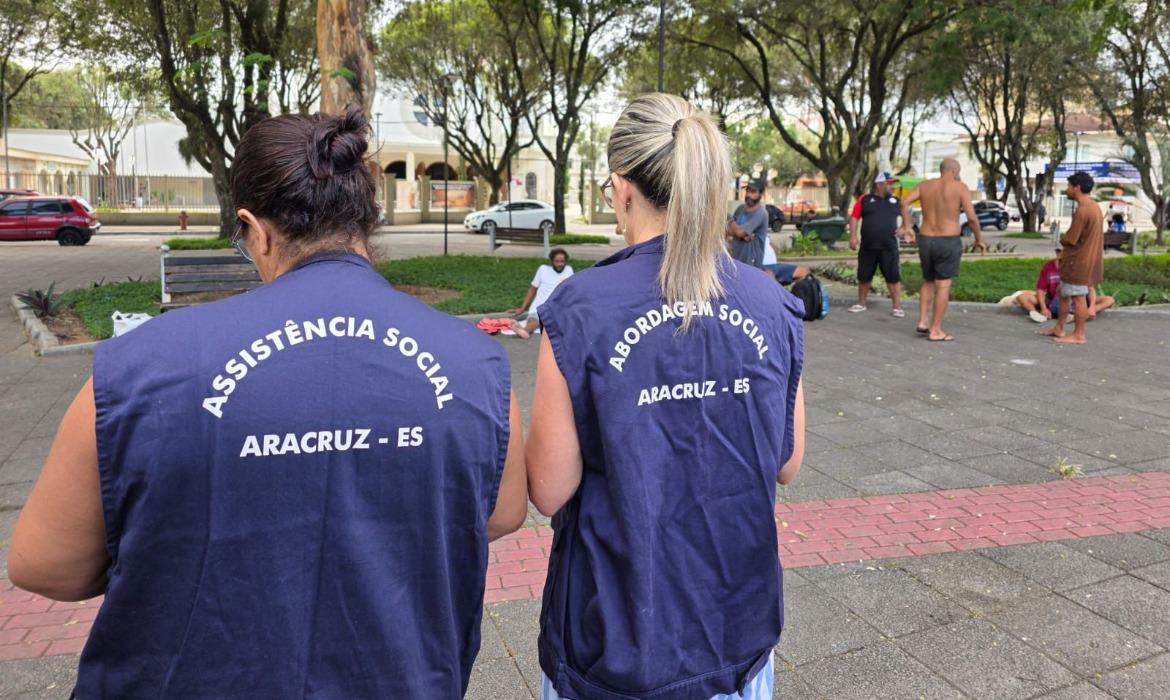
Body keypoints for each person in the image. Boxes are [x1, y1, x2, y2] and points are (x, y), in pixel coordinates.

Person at [7, 109, 528, 698]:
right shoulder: (475, 363)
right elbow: (502, 512)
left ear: (255, 230)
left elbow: (45, 564)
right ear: (368, 220)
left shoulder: (138, 367)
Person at [526, 94, 806, 700]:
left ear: (623, 188)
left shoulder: (580, 309)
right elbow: (787, 460)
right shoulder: (769, 302)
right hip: (736, 630)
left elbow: (548, 489)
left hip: (617, 638)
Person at [898, 158, 987, 341]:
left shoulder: (925, 186)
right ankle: (935, 330)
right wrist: (979, 239)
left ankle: (923, 320)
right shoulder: (960, 187)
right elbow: (971, 218)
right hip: (947, 240)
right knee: (943, 284)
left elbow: (904, 203)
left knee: (929, 280)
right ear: (954, 171)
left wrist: (907, 227)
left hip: (926, 239)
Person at [1041, 171, 1105, 344]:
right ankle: (1059, 328)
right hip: (1081, 260)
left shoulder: (1083, 211)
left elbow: (1071, 238)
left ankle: (1079, 334)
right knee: (1064, 294)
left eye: (1069, 186)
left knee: (1078, 297)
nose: (1067, 189)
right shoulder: (1094, 207)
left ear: (1077, 187)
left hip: (1078, 262)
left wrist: (1061, 238)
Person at [848, 171, 907, 317]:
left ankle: (897, 307)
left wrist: (904, 227)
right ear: (879, 185)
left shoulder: (896, 201)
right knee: (864, 275)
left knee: (893, 277)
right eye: (889, 184)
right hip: (868, 246)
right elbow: (854, 217)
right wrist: (853, 236)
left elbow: (906, 213)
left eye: (893, 184)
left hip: (889, 247)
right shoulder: (865, 199)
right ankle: (861, 303)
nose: (892, 187)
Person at [505, 247, 574, 338]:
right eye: (557, 261)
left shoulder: (568, 270)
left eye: (562, 261)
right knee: (534, 320)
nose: (560, 264)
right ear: (552, 261)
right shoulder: (543, 269)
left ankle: (522, 329)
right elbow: (532, 289)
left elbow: (571, 291)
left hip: (557, 308)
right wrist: (522, 308)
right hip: (539, 307)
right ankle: (525, 331)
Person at [725, 176, 770, 268]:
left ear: (761, 194)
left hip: (752, 264)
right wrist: (738, 232)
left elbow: (739, 232)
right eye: (748, 191)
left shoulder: (761, 213)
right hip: (736, 260)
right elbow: (726, 231)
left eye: (753, 192)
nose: (749, 194)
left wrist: (729, 219)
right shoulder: (740, 209)